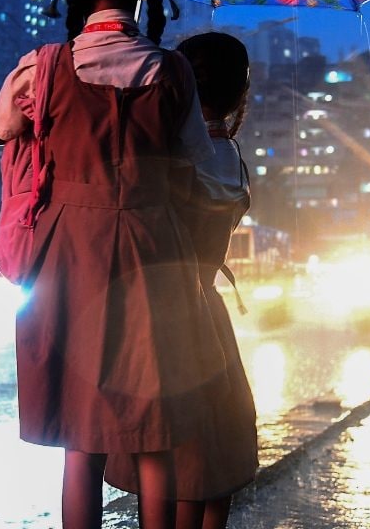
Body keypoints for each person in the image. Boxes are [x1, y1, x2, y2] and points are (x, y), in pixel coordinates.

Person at [0, 0, 226, 529]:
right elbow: (202, 168)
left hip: (67, 257)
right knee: (154, 431)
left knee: (81, 437)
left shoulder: (43, 67)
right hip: (154, 254)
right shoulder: (173, 74)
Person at [105, 31, 259, 529]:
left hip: (165, 317)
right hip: (209, 315)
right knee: (216, 463)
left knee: (181, 464)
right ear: (239, 95)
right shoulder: (232, 160)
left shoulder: (169, 159)